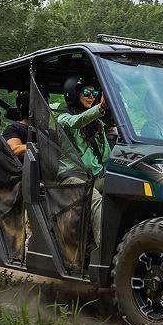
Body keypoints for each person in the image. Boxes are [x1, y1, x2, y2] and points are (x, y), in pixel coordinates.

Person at [57, 76, 111, 246]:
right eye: (86, 92)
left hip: (94, 177)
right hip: (72, 177)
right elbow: (77, 121)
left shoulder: (98, 124)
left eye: (94, 93)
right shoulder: (63, 118)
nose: (91, 96)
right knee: (96, 201)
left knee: (122, 188)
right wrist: (100, 107)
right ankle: (103, 251)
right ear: (73, 94)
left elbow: (106, 155)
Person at [2, 91, 29, 158]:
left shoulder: (47, 133)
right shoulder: (13, 129)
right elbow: (15, 150)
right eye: (41, 107)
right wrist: (40, 147)